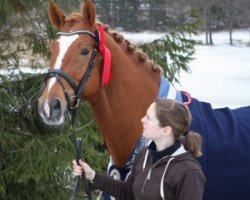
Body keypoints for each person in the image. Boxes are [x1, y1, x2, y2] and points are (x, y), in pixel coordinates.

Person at [72, 98, 206, 200]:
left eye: (148, 118)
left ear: (166, 130)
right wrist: (91, 174)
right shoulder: (144, 155)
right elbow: (127, 192)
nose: (142, 120)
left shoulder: (189, 172)